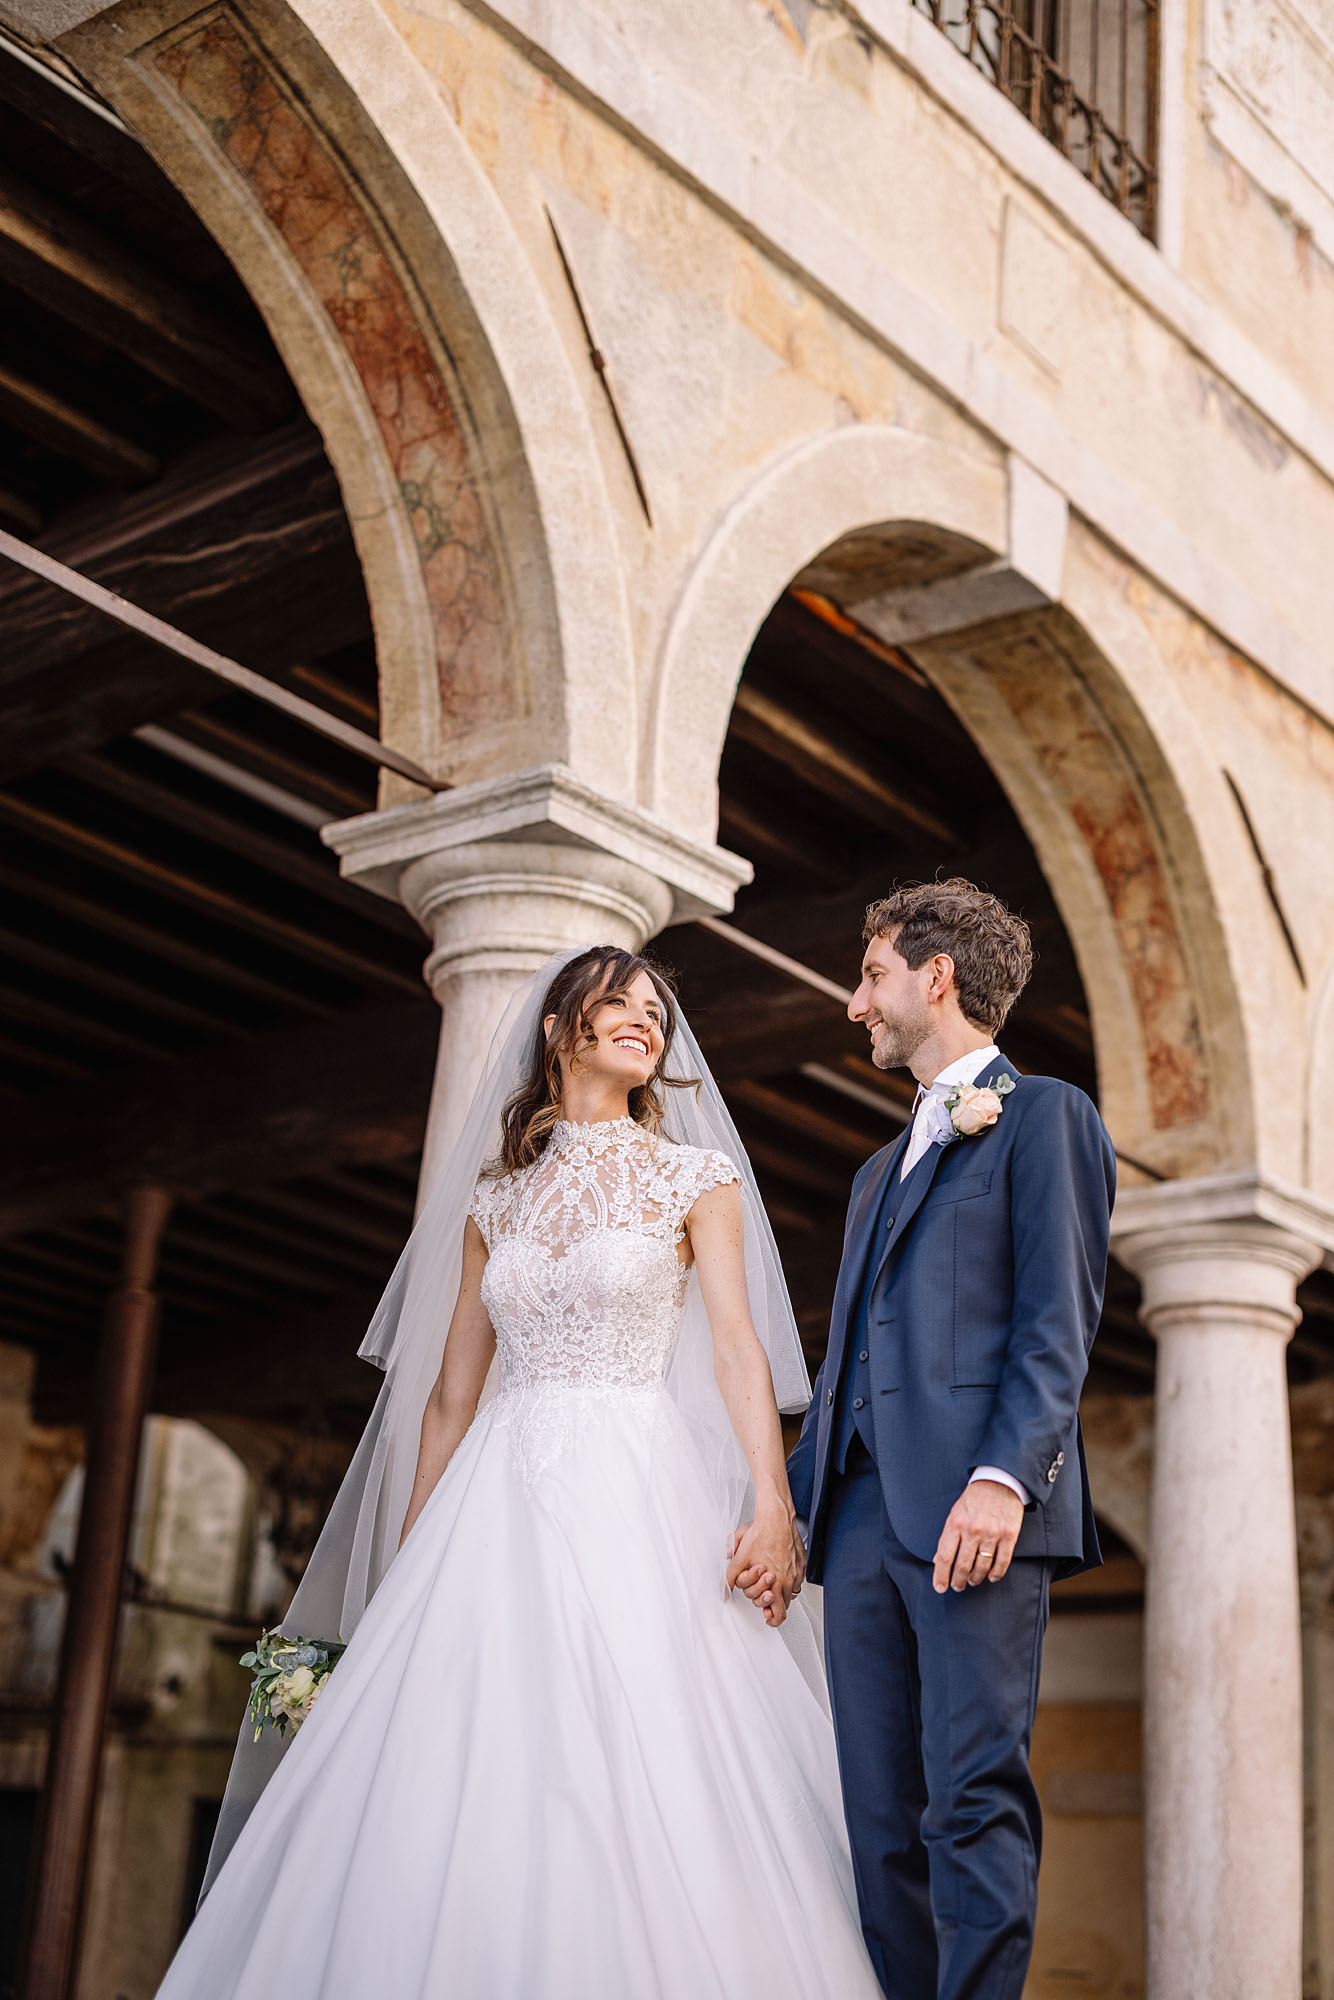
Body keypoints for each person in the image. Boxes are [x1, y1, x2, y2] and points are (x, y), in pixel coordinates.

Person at [156, 944, 882, 2000]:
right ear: (557, 1027)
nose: (644, 1019)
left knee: (643, 1743)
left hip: (638, 1487)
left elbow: (737, 1348)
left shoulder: (694, 1175)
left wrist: (771, 1504)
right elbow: (452, 1393)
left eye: (655, 1009)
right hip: (492, 1495)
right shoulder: (495, 1202)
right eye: (618, 1002)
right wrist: (407, 1560)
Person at [772, 879, 1116, 2000]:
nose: (853, 1002)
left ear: (935, 976)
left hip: (973, 1512)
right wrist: (783, 1507)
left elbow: (1053, 1325)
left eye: (869, 974)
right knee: (875, 1814)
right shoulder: (877, 1169)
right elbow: (845, 1367)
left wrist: (1003, 1477)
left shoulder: (1047, 1114)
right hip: (859, 1517)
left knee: (968, 1796)